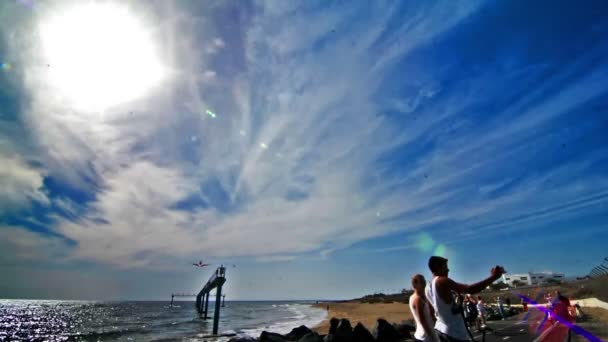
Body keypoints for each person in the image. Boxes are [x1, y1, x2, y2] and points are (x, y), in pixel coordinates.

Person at [425, 256, 506, 342]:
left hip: (441, 329)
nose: (448, 270)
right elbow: (471, 289)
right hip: (454, 333)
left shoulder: (427, 287)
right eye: (445, 267)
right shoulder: (442, 281)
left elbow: (433, 311)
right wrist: (493, 277)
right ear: (438, 267)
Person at [409, 274, 439, 342]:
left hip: (422, 334)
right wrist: (432, 337)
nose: (424, 283)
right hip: (425, 337)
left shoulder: (413, 297)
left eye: (424, 281)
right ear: (415, 284)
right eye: (422, 281)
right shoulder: (418, 299)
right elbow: (423, 321)